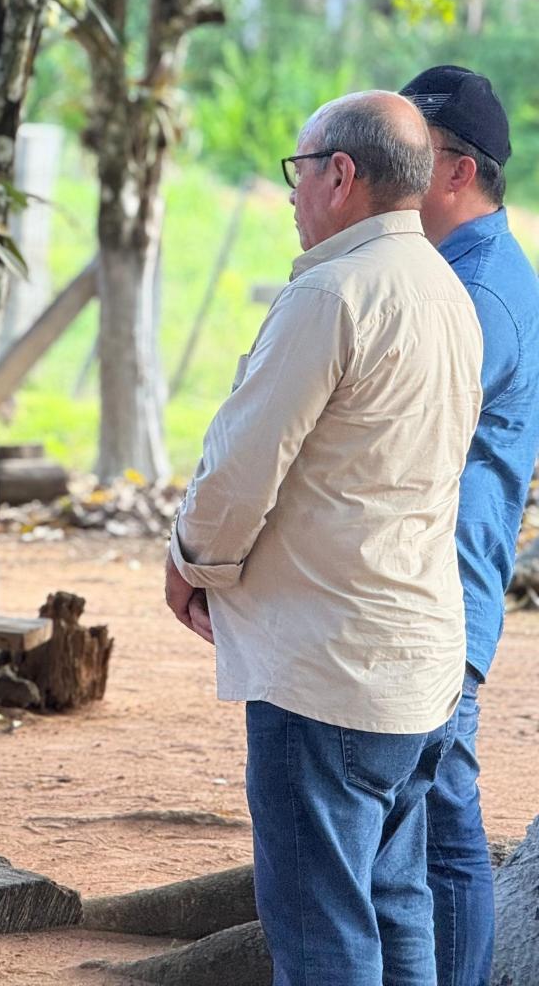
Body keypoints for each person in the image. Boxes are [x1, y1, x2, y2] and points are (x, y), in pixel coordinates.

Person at [165, 91, 483, 985]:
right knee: (395, 907)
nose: (293, 195)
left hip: (329, 672)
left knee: (322, 936)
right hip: (419, 660)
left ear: (340, 175)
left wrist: (193, 564)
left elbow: (239, 468)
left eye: (299, 173)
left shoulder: (335, 293)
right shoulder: (446, 290)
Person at [400, 65, 539, 986]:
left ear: (456, 171)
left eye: (403, 158)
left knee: (430, 835)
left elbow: (411, 447)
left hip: (441, 598)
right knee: (441, 822)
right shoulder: (466, 270)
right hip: (447, 595)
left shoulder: (477, 291)